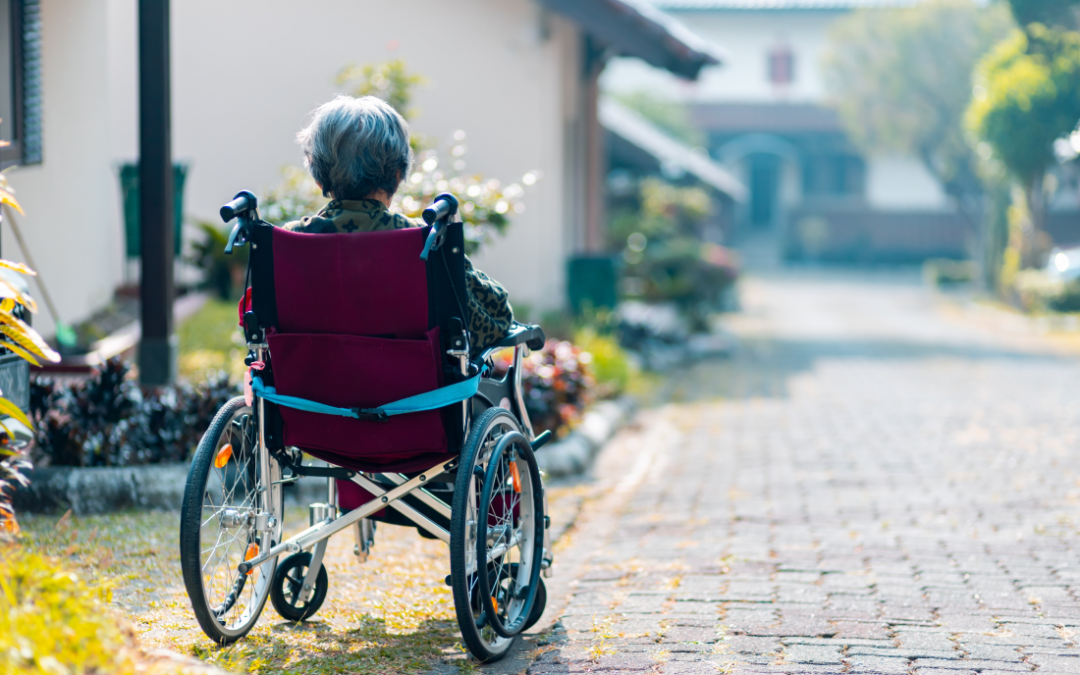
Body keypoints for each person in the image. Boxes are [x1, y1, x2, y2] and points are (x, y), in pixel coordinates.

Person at [283, 95, 514, 353]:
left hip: (309, 390)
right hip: (412, 390)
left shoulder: (287, 244)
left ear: (319, 178)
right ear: (397, 175)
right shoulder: (425, 241)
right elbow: (495, 319)